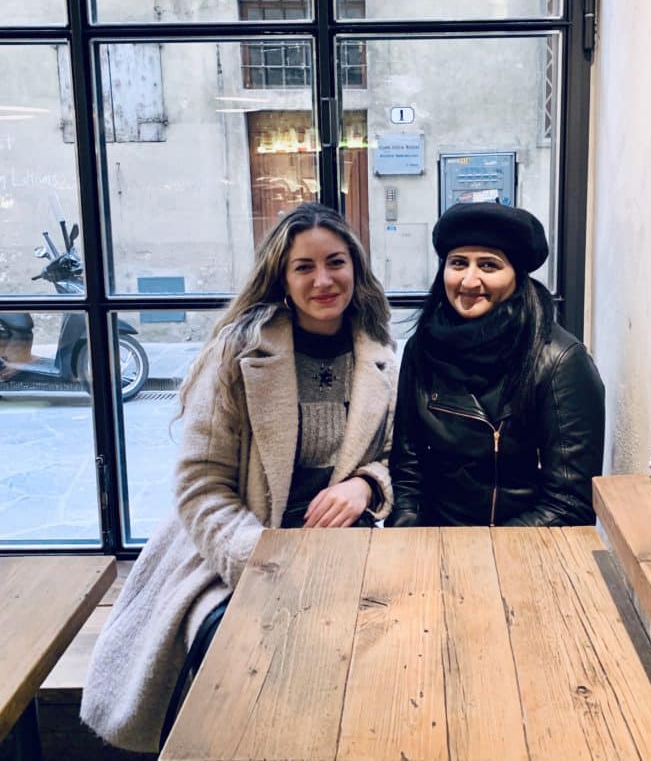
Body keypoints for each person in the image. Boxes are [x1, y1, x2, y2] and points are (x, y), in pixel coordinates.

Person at [80, 202, 397, 754]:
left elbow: (401, 455)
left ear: (356, 268)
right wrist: (263, 560)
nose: (323, 280)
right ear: (281, 276)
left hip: (339, 551)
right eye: (304, 267)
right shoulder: (237, 353)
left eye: (336, 262)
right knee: (238, 641)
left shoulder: (384, 356)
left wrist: (366, 483)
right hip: (229, 548)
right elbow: (201, 485)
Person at [388, 201, 604, 528]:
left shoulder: (560, 361)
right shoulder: (424, 347)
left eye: (489, 266)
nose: (469, 281)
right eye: (458, 263)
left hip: (521, 552)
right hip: (434, 546)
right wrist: (408, 540)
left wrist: (482, 558)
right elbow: (408, 468)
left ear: (517, 275)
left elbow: (568, 504)